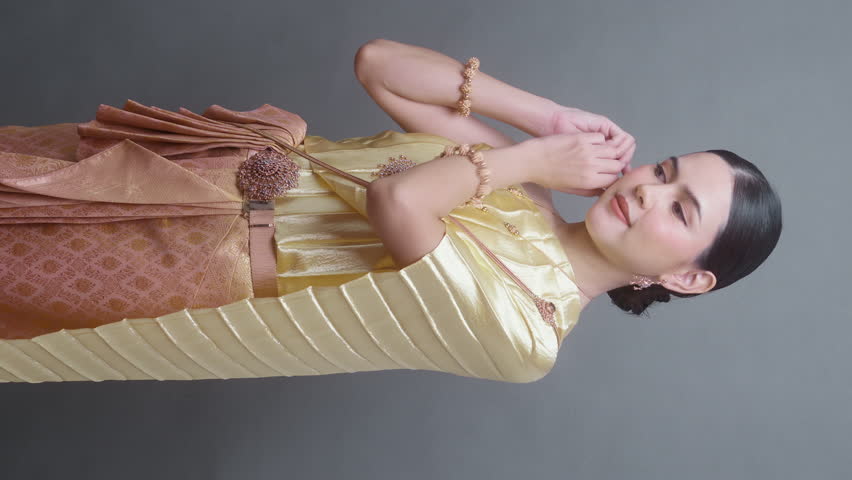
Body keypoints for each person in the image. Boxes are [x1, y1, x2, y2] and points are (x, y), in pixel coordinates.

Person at [0, 39, 781, 384]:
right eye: (666, 169)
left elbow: (399, 199)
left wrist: (531, 159)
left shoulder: (528, 332)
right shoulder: (528, 188)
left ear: (686, 278)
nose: (646, 188)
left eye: (679, 209)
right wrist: (546, 119)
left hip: (178, 264)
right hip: (186, 171)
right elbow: (384, 67)